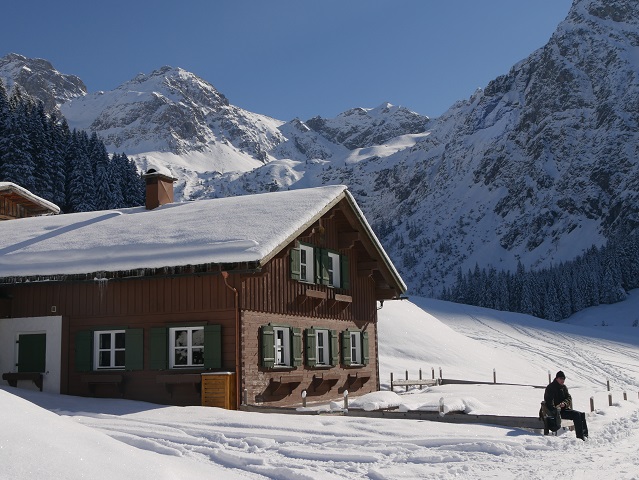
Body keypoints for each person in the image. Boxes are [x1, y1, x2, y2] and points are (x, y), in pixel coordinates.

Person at [544, 370, 589, 440]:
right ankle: (580, 437)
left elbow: (568, 397)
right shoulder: (551, 388)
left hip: (563, 410)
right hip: (555, 413)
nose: (563, 380)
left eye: (563, 379)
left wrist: (564, 403)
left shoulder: (563, 387)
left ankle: (585, 435)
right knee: (576, 415)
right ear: (557, 378)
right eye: (561, 379)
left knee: (581, 414)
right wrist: (557, 407)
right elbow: (549, 401)